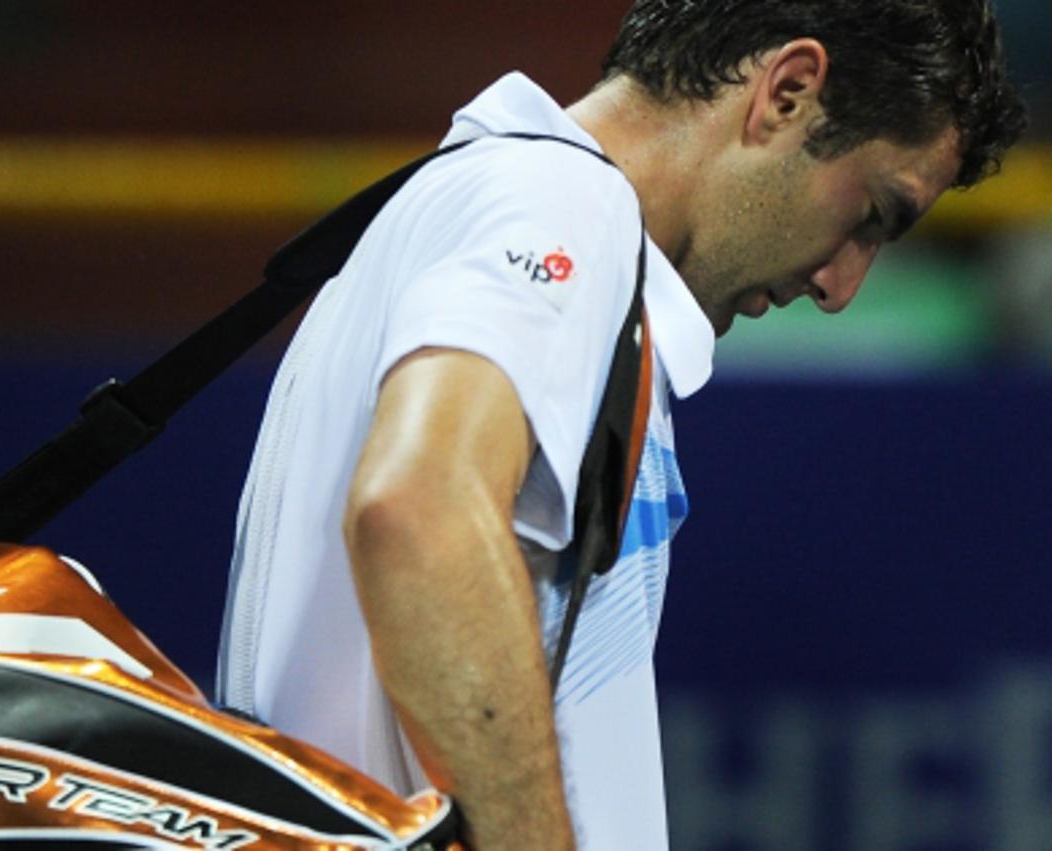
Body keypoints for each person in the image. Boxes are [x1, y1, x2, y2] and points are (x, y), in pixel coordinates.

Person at [216, 1, 1026, 848]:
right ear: (787, 92)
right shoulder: (564, 205)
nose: (841, 285)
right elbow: (419, 511)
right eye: (870, 215)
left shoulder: (519, 204)